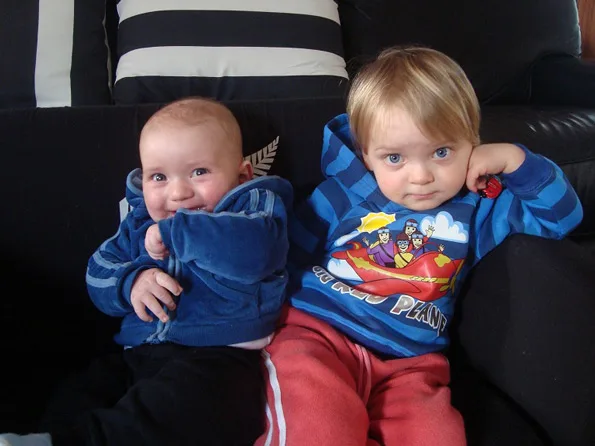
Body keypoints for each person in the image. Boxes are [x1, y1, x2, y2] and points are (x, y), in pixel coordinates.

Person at [255, 46, 583, 445]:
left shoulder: (480, 208)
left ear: (472, 142)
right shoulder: (342, 195)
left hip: (412, 365)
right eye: (395, 157)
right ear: (366, 155)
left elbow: (563, 218)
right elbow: (280, 256)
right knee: (319, 429)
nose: (421, 176)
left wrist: (516, 159)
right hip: (320, 336)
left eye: (441, 152)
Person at [0, 97, 292, 446]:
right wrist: (131, 282)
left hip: (220, 354)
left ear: (242, 174)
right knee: (83, 389)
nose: (178, 192)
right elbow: (97, 270)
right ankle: (46, 437)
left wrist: (179, 232)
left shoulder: (253, 207)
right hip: (137, 354)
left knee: (184, 406)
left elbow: (259, 253)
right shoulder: (138, 222)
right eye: (159, 177)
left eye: (199, 172)